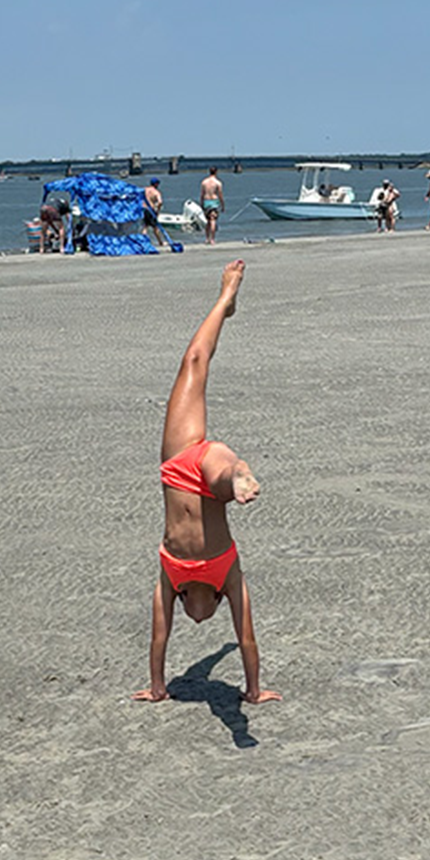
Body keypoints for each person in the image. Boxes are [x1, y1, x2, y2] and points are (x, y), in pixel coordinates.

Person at [133, 261, 280, 706]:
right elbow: (247, 636)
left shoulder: (170, 576)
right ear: (213, 603)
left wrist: (160, 688)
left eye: (190, 618)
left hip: (179, 465)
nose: (197, 620)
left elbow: (158, 639)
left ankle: (224, 297)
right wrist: (252, 691)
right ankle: (237, 476)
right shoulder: (227, 575)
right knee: (222, 475)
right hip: (207, 478)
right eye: (206, 618)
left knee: (192, 361)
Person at [199, 167, 225, 244]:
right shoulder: (218, 183)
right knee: (213, 220)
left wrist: (201, 203)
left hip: (206, 201)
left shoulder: (204, 182)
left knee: (208, 221)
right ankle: (212, 239)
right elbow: (220, 195)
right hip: (214, 201)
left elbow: (202, 194)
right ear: (216, 172)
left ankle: (207, 238)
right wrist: (222, 205)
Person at [143, 177, 164, 248]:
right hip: (150, 210)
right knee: (155, 228)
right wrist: (157, 210)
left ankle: (144, 242)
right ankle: (160, 242)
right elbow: (160, 202)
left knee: (145, 227)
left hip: (143, 209)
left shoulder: (145, 190)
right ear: (156, 184)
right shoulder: (156, 192)